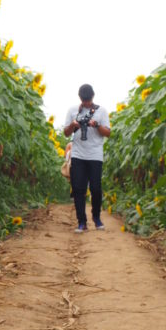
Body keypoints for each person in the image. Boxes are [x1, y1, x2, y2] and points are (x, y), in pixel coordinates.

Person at [63, 84, 111, 232]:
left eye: (89, 100)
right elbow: (66, 133)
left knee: (96, 188)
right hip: (78, 155)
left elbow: (107, 133)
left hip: (95, 155)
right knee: (78, 189)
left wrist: (96, 125)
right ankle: (81, 222)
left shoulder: (101, 111)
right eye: (84, 100)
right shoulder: (72, 111)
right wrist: (73, 125)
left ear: (93, 97)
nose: (87, 103)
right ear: (80, 98)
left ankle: (96, 218)